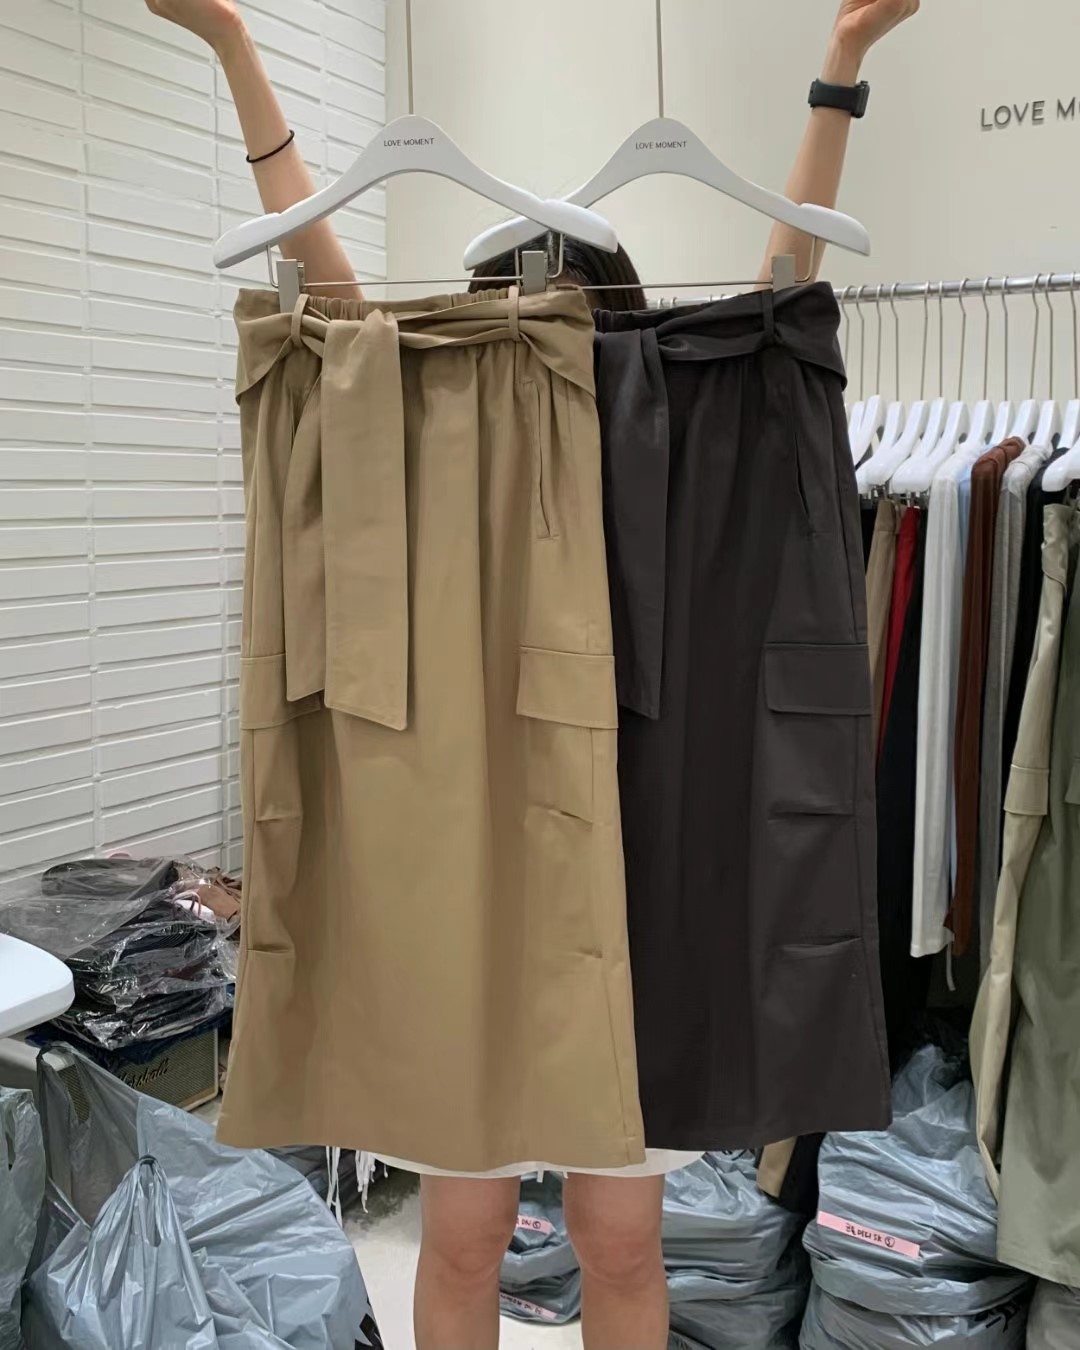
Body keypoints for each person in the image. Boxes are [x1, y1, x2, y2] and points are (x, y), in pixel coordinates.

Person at [144, 3, 919, 1348]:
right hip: (480, 879)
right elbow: (335, 302)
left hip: (640, 880)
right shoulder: (441, 418)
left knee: (619, 1241)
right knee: (462, 1238)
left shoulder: (680, 414)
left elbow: (781, 292)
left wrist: (840, 69)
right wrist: (235, 49)